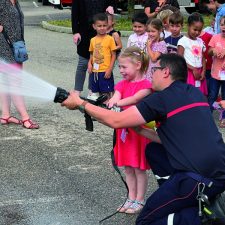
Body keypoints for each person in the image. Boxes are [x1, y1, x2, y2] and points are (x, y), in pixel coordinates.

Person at [62, 53, 225, 225]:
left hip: (197, 180)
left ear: (165, 72)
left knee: (145, 221)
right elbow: (171, 140)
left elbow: (115, 121)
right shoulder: (195, 93)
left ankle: (205, 218)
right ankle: (187, 203)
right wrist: (138, 129)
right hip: (220, 173)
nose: (150, 74)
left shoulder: (161, 99)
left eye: (154, 69)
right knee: (154, 151)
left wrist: (81, 103)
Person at [107, 46, 152, 214]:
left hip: (139, 133)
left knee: (139, 168)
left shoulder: (146, 85)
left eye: (124, 67)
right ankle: (130, 197)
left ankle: (140, 200)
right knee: (127, 167)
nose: (121, 70)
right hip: (124, 133)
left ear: (138, 65)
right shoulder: (121, 84)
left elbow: (133, 99)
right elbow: (116, 96)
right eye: (119, 67)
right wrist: (112, 101)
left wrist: (115, 104)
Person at [0, 0, 39, 129]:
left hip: (15, 47)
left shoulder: (14, 2)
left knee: (6, 82)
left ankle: (5, 115)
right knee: (15, 82)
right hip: (4, 47)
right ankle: (25, 118)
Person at [71, 0, 116, 95]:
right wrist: (75, 32)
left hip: (102, 31)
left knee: (97, 63)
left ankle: (92, 89)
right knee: (83, 63)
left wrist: (111, 6)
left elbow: (112, 3)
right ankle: (77, 90)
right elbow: (74, 13)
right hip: (84, 32)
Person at [87, 13, 116, 100]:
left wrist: (109, 69)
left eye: (104, 25)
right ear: (94, 26)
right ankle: (98, 110)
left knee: (106, 94)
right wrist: (89, 63)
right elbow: (92, 53)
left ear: (108, 25)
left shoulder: (110, 39)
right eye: (99, 26)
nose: (102, 28)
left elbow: (114, 55)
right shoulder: (93, 40)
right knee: (96, 94)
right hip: (95, 72)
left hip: (105, 71)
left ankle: (109, 110)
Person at [177, 12, 207, 96]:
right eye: (195, 29)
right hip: (188, 72)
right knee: (189, 95)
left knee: (199, 95)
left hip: (199, 72)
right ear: (188, 26)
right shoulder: (183, 41)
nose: (197, 32)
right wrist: (193, 69)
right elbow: (180, 59)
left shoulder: (200, 41)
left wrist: (203, 71)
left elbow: (203, 57)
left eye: (199, 30)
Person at [208, 16, 225, 128]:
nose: (224, 27)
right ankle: (207, 115)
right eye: (223, 24)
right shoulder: (215, 37)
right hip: (215, 73)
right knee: (212, 95)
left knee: (224, 97)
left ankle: (223, 118)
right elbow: (209, 52)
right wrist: (213, 51)